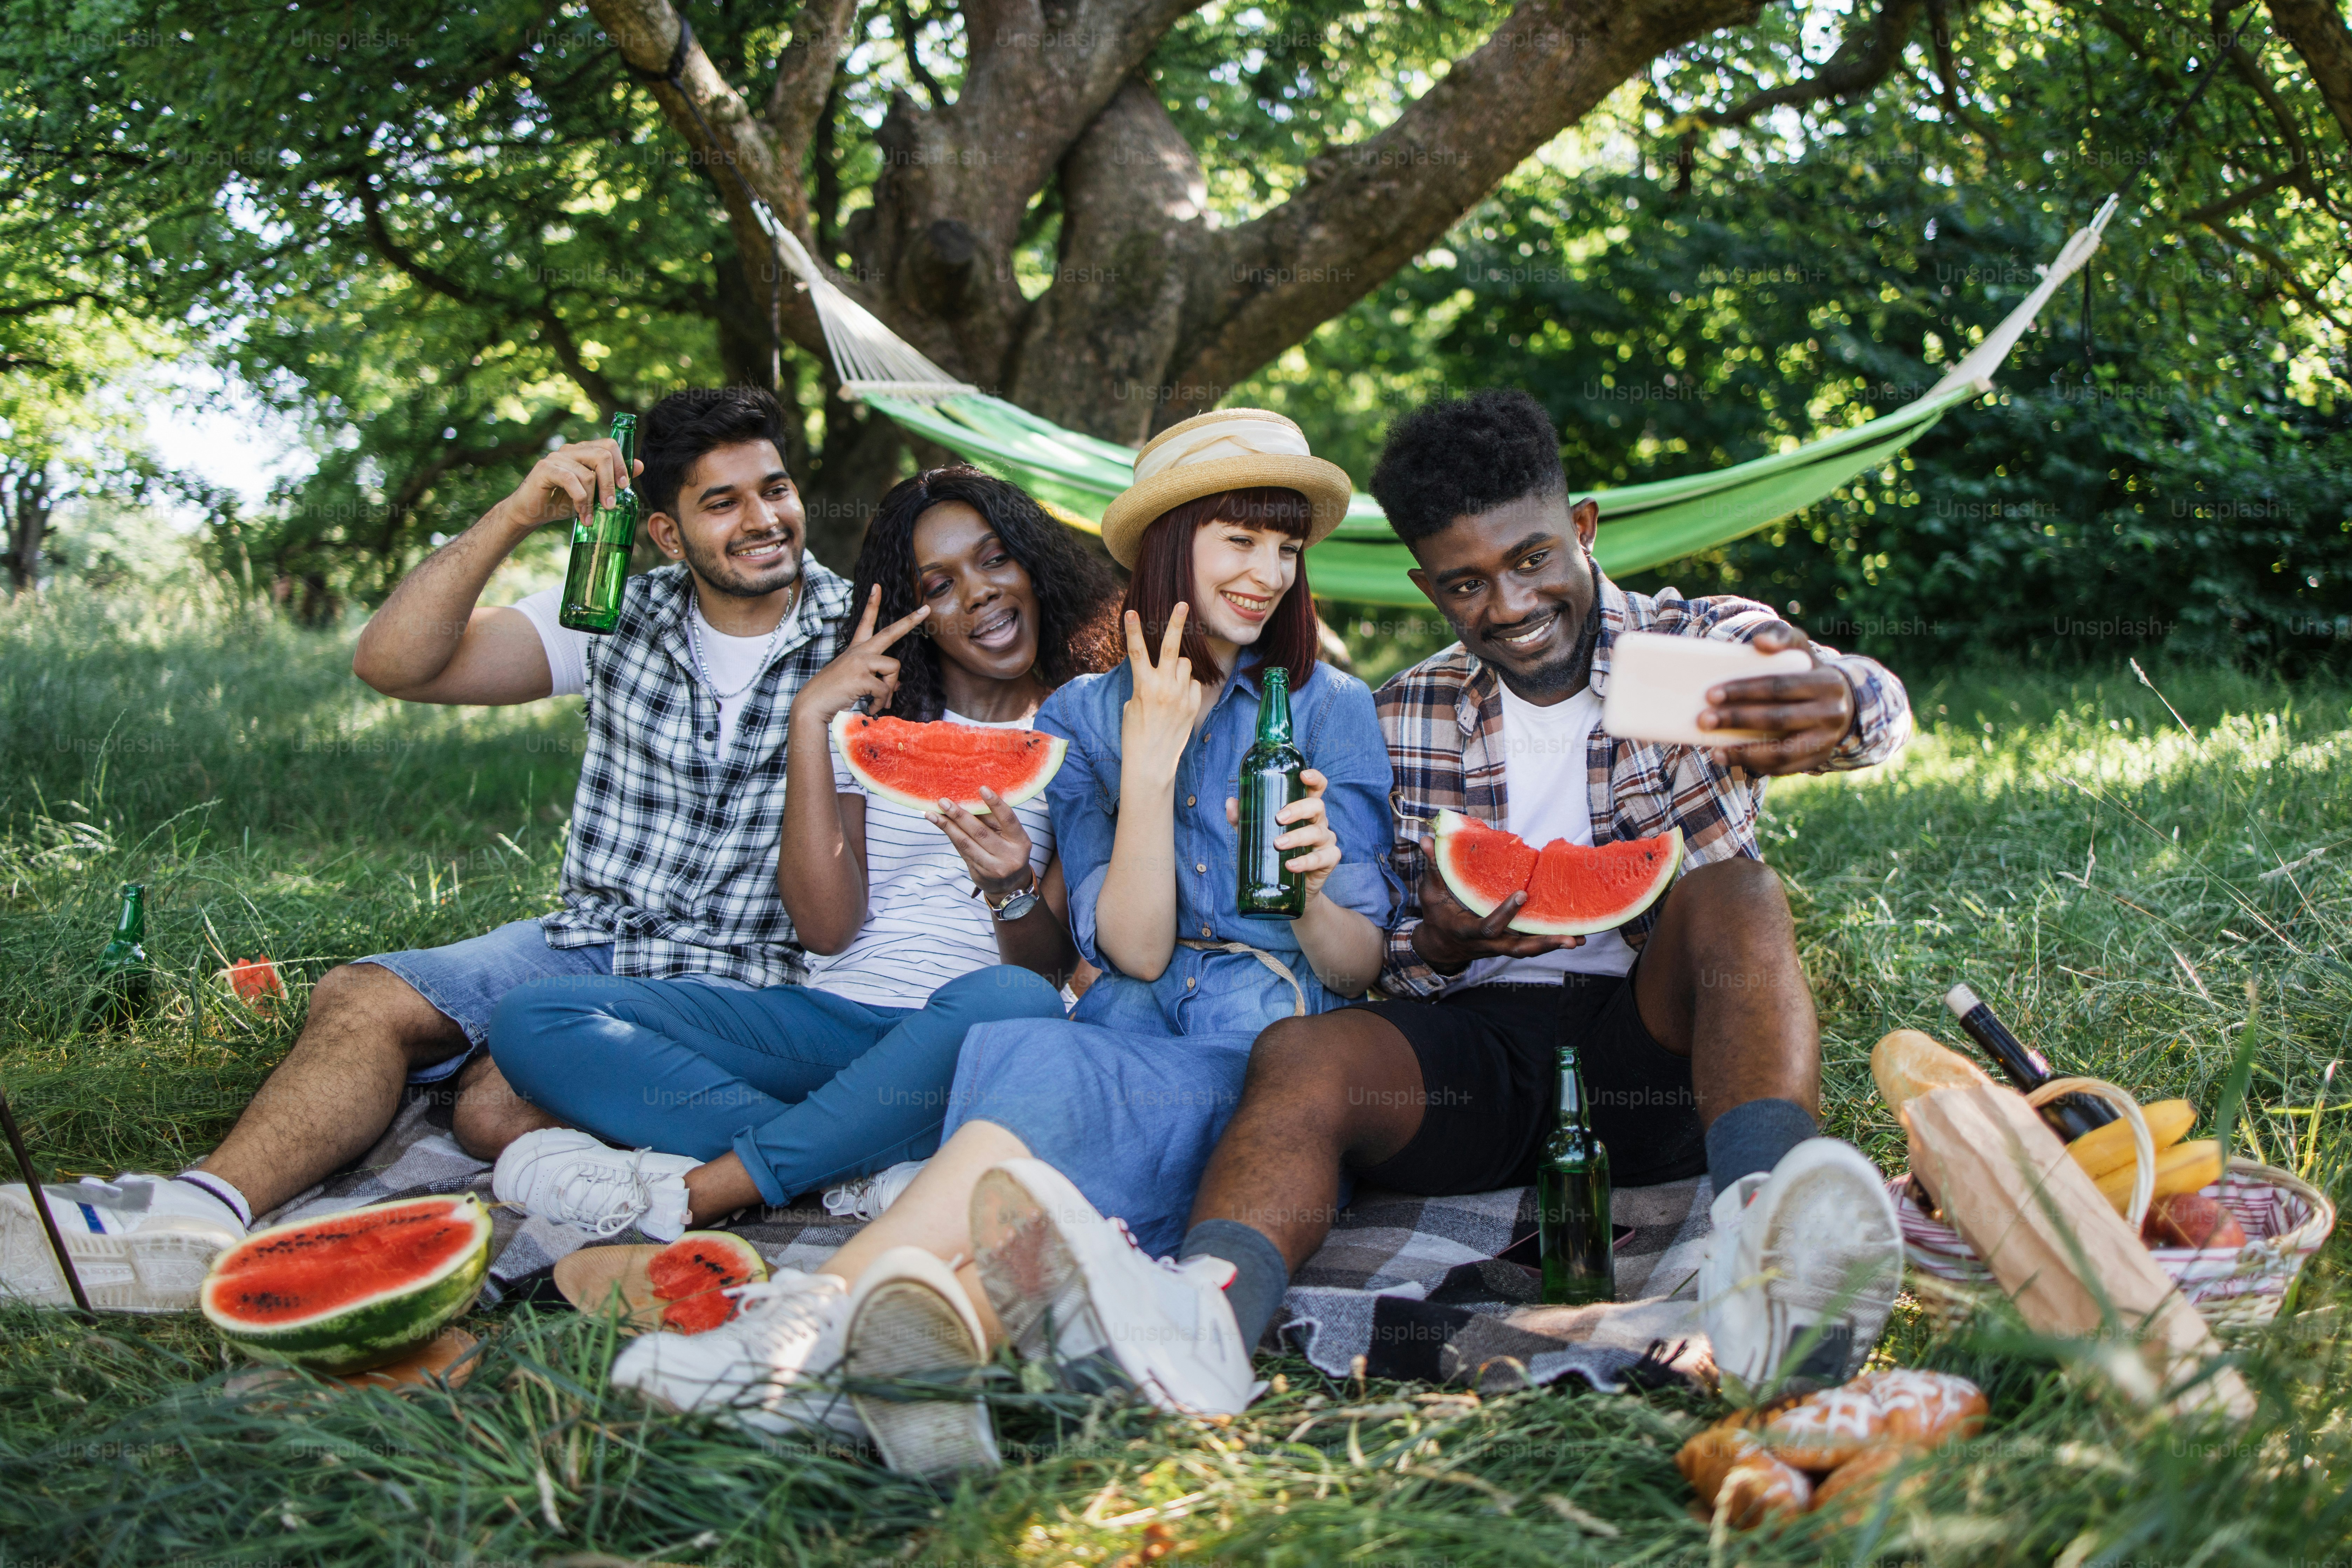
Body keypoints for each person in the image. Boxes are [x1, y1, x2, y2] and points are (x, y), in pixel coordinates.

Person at [597, 410, 1400, 1476]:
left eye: (1286, 546)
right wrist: (1151, 763)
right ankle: (882, 1371)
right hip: (1125, 1026)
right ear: (1171, 545)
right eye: (1239, 540)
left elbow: (1353, 967)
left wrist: (1303, 892)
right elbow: (1138, 954)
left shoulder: (1330, 704)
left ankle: (789, 1339)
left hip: (1263, 1064)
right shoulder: (1082, 714)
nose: (1269, 573)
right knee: (1028, 1054)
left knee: (1038, 1096)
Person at [0, 387, 852, 1312]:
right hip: (588, 937)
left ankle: (707, 1167)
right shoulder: (612, 612)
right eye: (722, 502)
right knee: (359, 997)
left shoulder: (860, 631)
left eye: (775, 489)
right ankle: (200, 1213)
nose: (765, 519)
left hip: (741, 970)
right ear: (665, 533)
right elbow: (393, 663)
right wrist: (516, 514)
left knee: (491, 1102)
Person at [1173, 387, 1915, 1397]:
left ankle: (1776, 1251)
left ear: (1581, 527)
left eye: (1530, 561)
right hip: (1477, 1060)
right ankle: (1198, 1326)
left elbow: (1862, 703)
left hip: (1654, 1058)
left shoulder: (1694, 648)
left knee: (1736, 892)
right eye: (1466, 585)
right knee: (1300, 1052)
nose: (1510, 606)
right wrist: (1437, 943)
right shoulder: (1401, 713)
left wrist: (1836, 700)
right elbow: (1376, 949)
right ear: (1427, 588)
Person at [482, 466, 1116, 1260]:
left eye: (995, 560)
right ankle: (854, 1163)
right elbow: (824, 929)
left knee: (1014, 998)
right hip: (831, 1024)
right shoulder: (864, 727)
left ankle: (707, 1188)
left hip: (968, 1040)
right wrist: (810, 716)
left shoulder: (1084, 728)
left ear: (1032, 564)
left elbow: (1053, 968)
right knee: (535, 1018)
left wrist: (1010, 888)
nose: (980, 592)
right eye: (940, 583)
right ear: (914, 611)